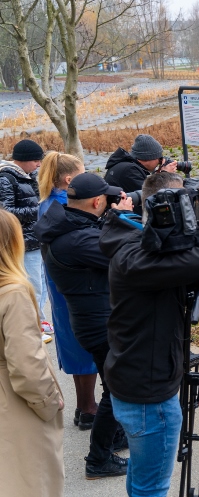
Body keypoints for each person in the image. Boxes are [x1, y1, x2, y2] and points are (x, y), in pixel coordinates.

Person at [99, 171, 199, 497]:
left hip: (134, 380)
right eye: (184, 206)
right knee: (152, 487)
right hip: (149, 394)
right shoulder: (140, 260)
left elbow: (192, 268)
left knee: (140, 475)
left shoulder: (131, 238)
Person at [35, 173, 134, 479]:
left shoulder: (67, 223)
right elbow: (126, 256)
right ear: (96, 201)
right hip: (99, 324)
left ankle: (115, 436)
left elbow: (99, 237)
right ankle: (98, 459)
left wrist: (111, 218)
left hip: (92, 318)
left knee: (113, 385)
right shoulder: (77, 240)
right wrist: (122, 219)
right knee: (116, 390)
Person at [0, 209, 65, 497]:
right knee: (28, 481)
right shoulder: (12, 292)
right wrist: (50, 403)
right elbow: (26, 365)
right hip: (13, 405)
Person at [37, 152, 100, 430]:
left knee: (73, 344)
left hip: (58, 278)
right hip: (74, 281)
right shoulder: (67, 206)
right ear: (69, 178)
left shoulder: (48, 202)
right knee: (84, 344)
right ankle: (88, 409)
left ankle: (84, 405)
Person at [0, 138, 52, 339]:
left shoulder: (31, 175)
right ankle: (32, 327)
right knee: (33, 285)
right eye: (36, 160)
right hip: (24, 242)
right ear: (23, 160)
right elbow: (7, 212)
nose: (39, 164)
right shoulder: (6, 179)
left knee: (43, 282)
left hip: (38, 238)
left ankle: (39, 318)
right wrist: (40, 210)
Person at [104, 133, 177, 193]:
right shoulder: (130, 170)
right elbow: (150, 195)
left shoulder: (125, 165)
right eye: (159, 158)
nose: (159, 162)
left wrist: (158, 174)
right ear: (148, 158)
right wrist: (165, 175)